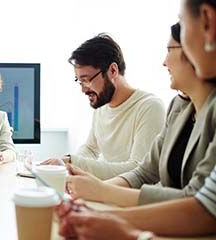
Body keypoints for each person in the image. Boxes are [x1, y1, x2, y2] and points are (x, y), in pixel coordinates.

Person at [57, 12, 216, 238]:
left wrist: (102, 194)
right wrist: (92, 191)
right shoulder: (179, 107)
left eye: (169, 51)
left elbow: (199, 203)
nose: (163, 62)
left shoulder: (151, 106)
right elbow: (144, 172)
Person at [40, 34, 165, 180]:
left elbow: (138, 169)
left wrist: (72, 162)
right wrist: (66, 163)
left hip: (131, 197)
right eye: (80, 82)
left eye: (86, 80)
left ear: (113, 71)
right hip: (107, 191)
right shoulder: (102, 106)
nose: (83, 89)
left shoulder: (149, 107)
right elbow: (90, 149)